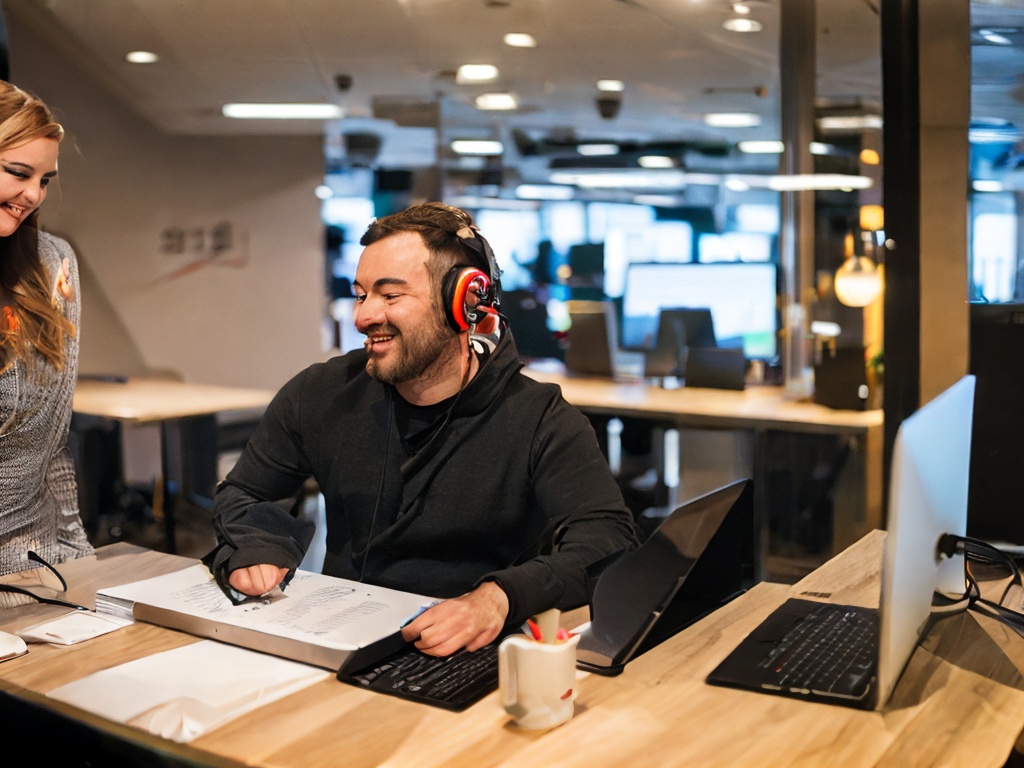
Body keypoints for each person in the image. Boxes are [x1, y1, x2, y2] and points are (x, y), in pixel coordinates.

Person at [209, 202, 637, 656]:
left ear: (464, 302)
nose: (363, 317)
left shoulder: (538, 417)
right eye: (361, 295)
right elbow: (245, 492)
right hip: (339, 641)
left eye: (390, 296)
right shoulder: (323, 392)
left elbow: (608, 542)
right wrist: (256, 546)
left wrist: (500, 598)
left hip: (473, 650)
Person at [0, 81, 92, 597]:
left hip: (31, 561)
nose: (33, 195)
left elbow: (52, 441)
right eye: (17, 172)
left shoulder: (53, 266)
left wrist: (78, 556)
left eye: (44, 180)